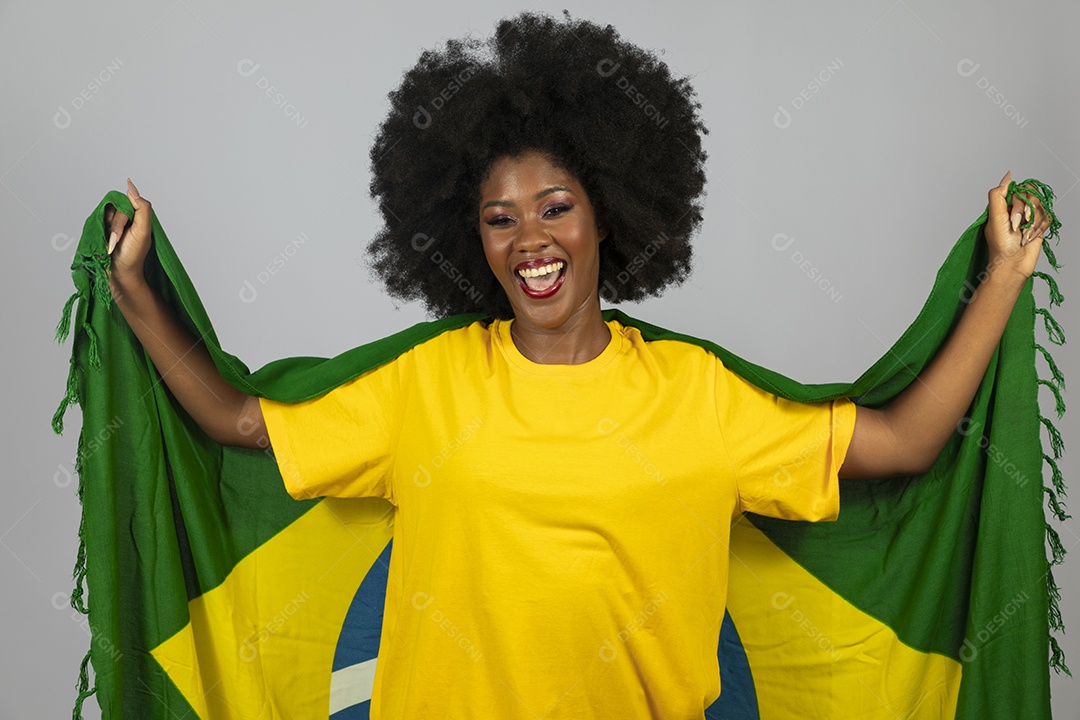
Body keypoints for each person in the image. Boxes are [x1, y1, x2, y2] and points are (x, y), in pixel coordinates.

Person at [102, 11, 1052, 720]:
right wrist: (139, 288)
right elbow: (239, 423)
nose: (530, 241)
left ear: (610, 212)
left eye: (555, 207)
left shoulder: (700, 400)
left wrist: (1005, 276)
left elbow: (908, 442)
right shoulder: (426, 387)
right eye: (499, 218)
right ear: (469, 238)